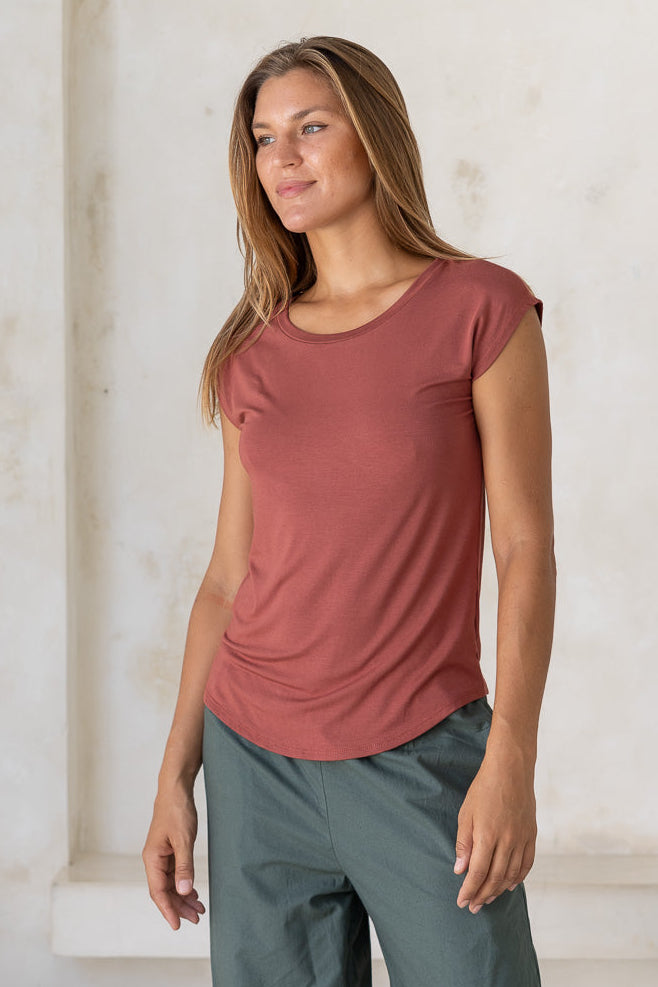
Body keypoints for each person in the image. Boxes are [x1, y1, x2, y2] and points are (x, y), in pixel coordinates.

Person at [142, 35, 556, 987]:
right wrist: (176, 777)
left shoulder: (480, 310)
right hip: (255, 763)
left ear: (373, 137)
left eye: (310, 127)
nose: (281, 158)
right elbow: (226, 578)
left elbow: (525, 548)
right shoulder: (253, 353)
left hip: (422, 759)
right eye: (262, 138)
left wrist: (511, 760)